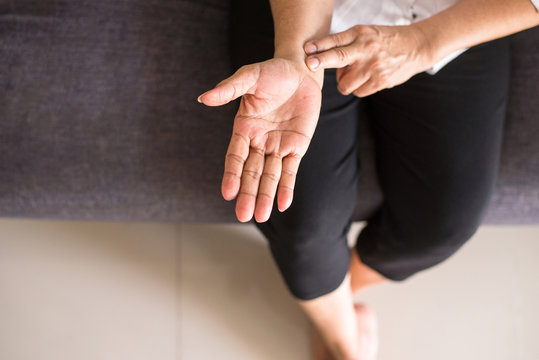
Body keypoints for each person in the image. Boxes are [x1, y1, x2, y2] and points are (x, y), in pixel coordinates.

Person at [199, 1, 539, 359]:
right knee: (304, 226)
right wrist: (296, 53)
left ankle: (339, 297)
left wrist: (424, 43)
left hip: (453, 19)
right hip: (304, 19)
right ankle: (343, 342)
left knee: (443, 222)